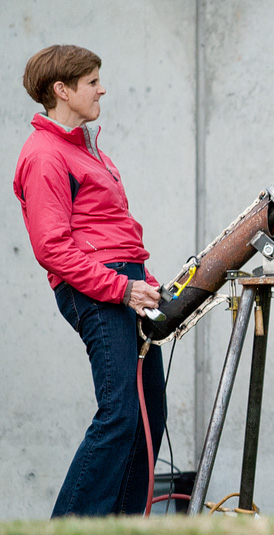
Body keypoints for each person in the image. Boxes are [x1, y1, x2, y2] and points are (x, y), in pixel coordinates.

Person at [13, 44, 166, 517]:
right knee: (120, 412)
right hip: (97, 291)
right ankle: (67, 526)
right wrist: (122, 288)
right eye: (92, 82)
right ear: (62, 90)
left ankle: (122, 525)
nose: (102, 90)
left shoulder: (87, 150)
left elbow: (117, 230)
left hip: (125, 285)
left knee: (148, 413)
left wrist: (145, 281)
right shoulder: (45, 155)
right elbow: (52, 248)